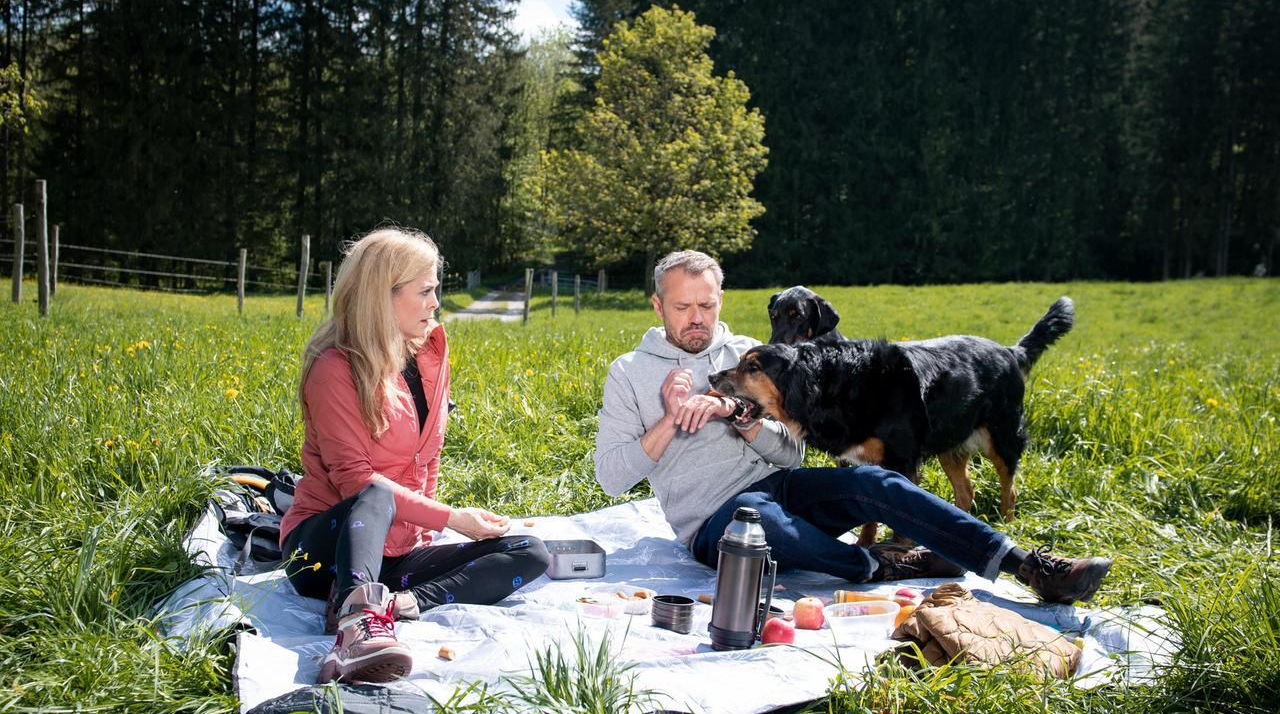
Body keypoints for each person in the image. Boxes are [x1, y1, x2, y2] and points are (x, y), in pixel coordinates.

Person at [594, 250, 1111, 604]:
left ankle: (1029, 567)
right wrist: (668, 421)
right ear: (658, 305)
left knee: (876, 482)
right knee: (757, 520)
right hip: (714, 523)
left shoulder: (749, 356)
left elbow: (791, 455)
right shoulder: (629, 372)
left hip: (781, 489)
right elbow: (611, 478)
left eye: (706, 305)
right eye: (682, 307)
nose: (697, 319)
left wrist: (743, 420)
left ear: (721, 301)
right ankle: (879, 567)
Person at [280, 227, 550, 684]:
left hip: (395, 556)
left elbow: (429, 457)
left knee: (531, 552)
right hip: (323, 550)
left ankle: (394, 606)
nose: (435, 304)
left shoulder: (429, 355)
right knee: (374, 494)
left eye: (435, 291)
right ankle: (357, 627)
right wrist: (449, 518)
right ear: (382, 296)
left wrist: (425, 537)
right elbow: (355, 483)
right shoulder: (334, 369)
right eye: (425, 291)